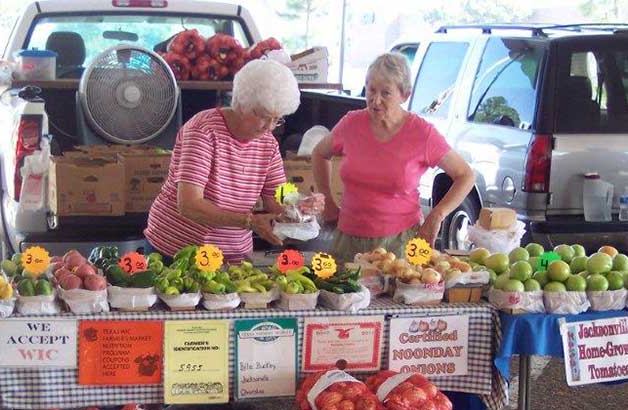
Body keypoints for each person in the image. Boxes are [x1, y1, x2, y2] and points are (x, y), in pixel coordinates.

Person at [311, 53, 476, 262]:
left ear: (405, 95)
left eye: (386, 93)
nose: (375, 100)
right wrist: (329, 204)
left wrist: (437, 215)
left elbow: (465, 175)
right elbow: (319, 153)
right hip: (348, 239)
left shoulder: (422, 133)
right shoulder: (351, 123)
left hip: (402, 244)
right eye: (371, 90)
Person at [144, 59, 301, 262]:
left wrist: (300, 206)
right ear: (242, 103)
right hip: (178, 249)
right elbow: (190, 204)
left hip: (233, 253)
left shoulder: (268, 143)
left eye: (277, 119)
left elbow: (278, 194)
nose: (269, 127)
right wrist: (250, 221)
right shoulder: (203, 131)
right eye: (263, 116)